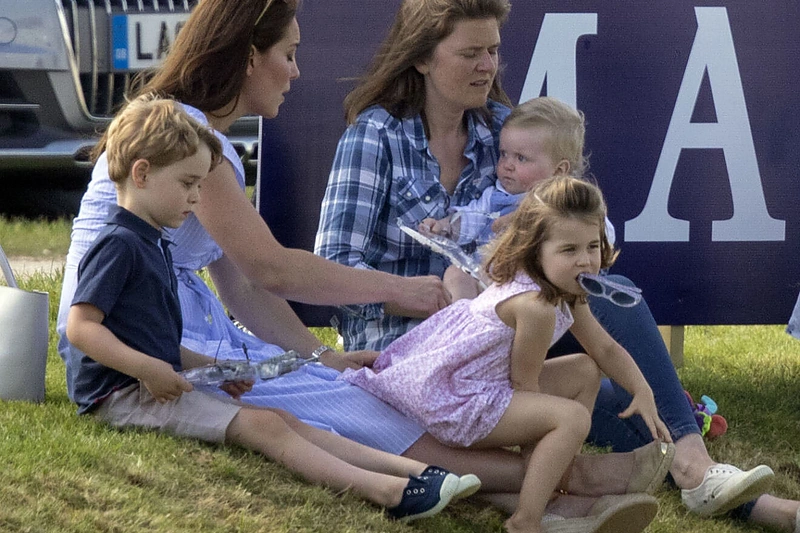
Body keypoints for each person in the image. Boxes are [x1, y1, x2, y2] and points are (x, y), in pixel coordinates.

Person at [56, 2, 678, 532]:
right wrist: (405, 291)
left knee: (341, 388)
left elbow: (242, 282)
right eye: (290, 54)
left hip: (182, 331)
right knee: (353, 409)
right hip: (144, 339)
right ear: (249, 56)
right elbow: (275, 270)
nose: (297, 72)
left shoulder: (191, 137)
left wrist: (315, 356)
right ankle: (573, 480)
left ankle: (554, 495)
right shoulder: (186, 138)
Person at [315, 0, 799, 529]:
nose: (487, 66)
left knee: (610, 299)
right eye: (471, 53)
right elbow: (333, 265)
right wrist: (425, 291)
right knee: (601, 397)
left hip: (499, 329)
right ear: (423, 59)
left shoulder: (506, 128)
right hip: (415, 351)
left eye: (494, 51)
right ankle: (598, 489)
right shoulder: (376, 135)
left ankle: (697, 467)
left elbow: (572, 227)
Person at [64, 93, 477, 522]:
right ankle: (394, 494)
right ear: (142, 174)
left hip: (145, 381)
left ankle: (422, 474)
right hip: (120, 396)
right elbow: (81, 328)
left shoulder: (154, 246)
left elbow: (153, 336)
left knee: (278, 416)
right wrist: (146, 370)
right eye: (188, 184)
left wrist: (215, 370)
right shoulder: (118, 244)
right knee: (264, 426)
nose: (195, 198)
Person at [343, 176, 670, 533]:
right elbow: (526, 387)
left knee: (585, 369)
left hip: (482, 384)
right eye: (569, 250)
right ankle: (527, 518)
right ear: (536, 249)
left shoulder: (561, 289)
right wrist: (551, 430)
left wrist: (643, 390)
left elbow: (603, 347)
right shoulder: (536, 308)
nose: (585, 262)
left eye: (593, 247)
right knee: (571, 418)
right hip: (458, 402)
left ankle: (556, 473)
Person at [418, 96, 605, 301]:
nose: (508, 164)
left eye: (521, 158)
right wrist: (446, 227)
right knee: (456, 274)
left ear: (559, 170)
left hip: (536, 284)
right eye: (504, 154)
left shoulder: (568, 203)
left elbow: (603, 233)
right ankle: (464, 324)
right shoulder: (496, 196)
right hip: (490, 280)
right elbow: (473, 217)